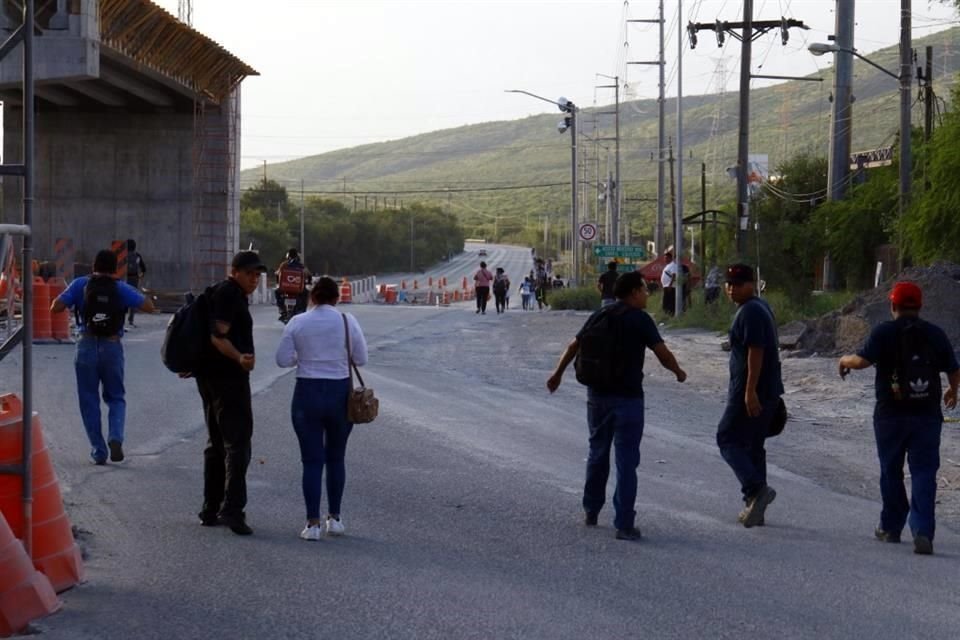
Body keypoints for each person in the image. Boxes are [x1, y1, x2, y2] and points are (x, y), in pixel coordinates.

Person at [546, 271, 687, 540]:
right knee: (626, 461)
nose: (647, 294)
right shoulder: (641, 320)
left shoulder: (601, 314)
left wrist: (557, 374)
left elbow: (573, 345)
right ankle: (624, 524)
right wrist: (679, 372)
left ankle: (591, 510)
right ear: (634, 292)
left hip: (597, 396)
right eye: (645, 290)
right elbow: (662, 354)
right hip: (629, 399)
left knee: (597, 453)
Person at [838, 282, 959, 555]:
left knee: (890, 470)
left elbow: (862, 361)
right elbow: (954, 367)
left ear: (893, 305)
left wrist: (844, 360)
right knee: (925, 473)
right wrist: (954, 390)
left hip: (890, 416)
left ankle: (891, 527)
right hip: (927, 417)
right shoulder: (935, 334)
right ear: (919, 306)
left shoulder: (884, 332)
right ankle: (923, 530)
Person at [275, 276, 369, 541]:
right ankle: (335, 519)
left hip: (307, 393)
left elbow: (282, 359)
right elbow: (361, 358)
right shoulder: (347, 321)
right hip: (340, 394)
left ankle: (312, 524)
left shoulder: (297, 322)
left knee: (312, 460)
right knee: (336, 458)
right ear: (337, 298)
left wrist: (301, 358)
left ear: (312, 297)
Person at [51, 249, 155, 464]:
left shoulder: (81, 284)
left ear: (93, 267)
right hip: (111, 346)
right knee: (116, 397)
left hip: (86, 345)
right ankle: (115, 437)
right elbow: (149, 306)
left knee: (88, 399)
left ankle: (98, 451)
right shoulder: (120, 287)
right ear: (115, 269)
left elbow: (56, 307)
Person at [193, 250, 267, 536]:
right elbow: (217, 335)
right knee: (238, 444)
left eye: (258, 275)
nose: (254, 279)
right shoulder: (229, 294)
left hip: (211, 378)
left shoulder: (222, 292)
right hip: (227, 379)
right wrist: (239, 358)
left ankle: (210, 508)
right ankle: (232, 510)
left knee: (217, 443)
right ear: (234, 271)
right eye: (249, 273)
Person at [716, 264, 784, 528]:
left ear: (751, 284)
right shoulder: (758, 307)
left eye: (739, 283)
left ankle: (756, 490)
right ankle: (756, 507)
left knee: (727, 438)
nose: (732, 289)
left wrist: (749, 391)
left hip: (751, 390)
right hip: (765, 389)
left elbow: (757, 351)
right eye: (729, 283)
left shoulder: (751, 311)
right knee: (753, 445)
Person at [274, 248, 310, 322]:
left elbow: (277, 273)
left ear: (288, 256)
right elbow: (308, 274)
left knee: (277, 292)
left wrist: (278, 282)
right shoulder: (301, 266)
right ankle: (303, 311)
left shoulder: (284, 264)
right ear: (297, 256)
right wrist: (309, 281)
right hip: (298, 290)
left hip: (284, 289)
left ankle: (282, 310)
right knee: (306, 293)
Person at [125, 238, 147, 328]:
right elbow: (144, 268)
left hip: (124, 278)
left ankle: (120, 320)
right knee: (132, 299)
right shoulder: (137, 255)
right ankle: (131, 320)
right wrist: (140, 276)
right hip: (134, 278)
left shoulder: (122, 256)